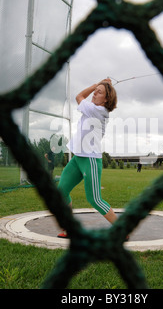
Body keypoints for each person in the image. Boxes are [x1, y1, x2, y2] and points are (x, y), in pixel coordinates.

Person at [56, 79, 118, 238]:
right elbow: (81, 98)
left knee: (94, 199)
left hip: (90, 159)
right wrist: (100, 85)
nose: (94, 93)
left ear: (106, 99)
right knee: (61, 191)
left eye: (99, 92)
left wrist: (96, 84)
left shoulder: (99, 111)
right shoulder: (93, 109)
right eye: (95, 90)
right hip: (78, 158)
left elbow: (79, 96)